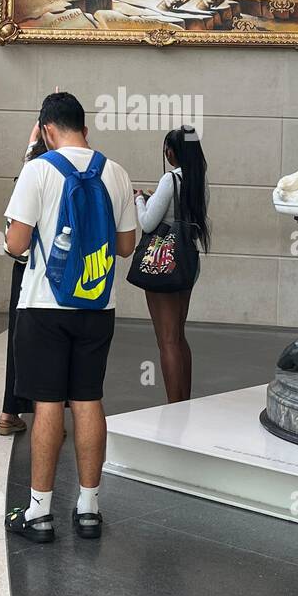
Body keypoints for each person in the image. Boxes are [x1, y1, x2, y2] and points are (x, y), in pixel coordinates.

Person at [2, 92, 137, 543]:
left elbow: (15, 244)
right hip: (98, 307)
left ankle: (39, 512)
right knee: (88, 400)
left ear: (45, 129)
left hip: (44, 307)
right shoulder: (114, 171)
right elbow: (125, 246)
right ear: (85, 127)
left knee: (46, 406)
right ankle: (89, 508)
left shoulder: (38, 170)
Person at [134, 126, 210, 403]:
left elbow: (147, 223)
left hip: (163, 262)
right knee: (178, 336)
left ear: (172, 152)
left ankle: (173, 406)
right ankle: (184, 400)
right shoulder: (198, 179)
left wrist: (140, 200)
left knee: (166, 340)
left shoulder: (171, 179)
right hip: (187, 260)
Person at [0, 131, 46, 436]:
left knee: (19, 341)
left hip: (21, 271)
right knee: (49, 345)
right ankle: (47, 414)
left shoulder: (28, 173)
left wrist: (39, 127)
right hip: (46, 273)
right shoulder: (54, 175)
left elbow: (30, 150)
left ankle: (8, 411)